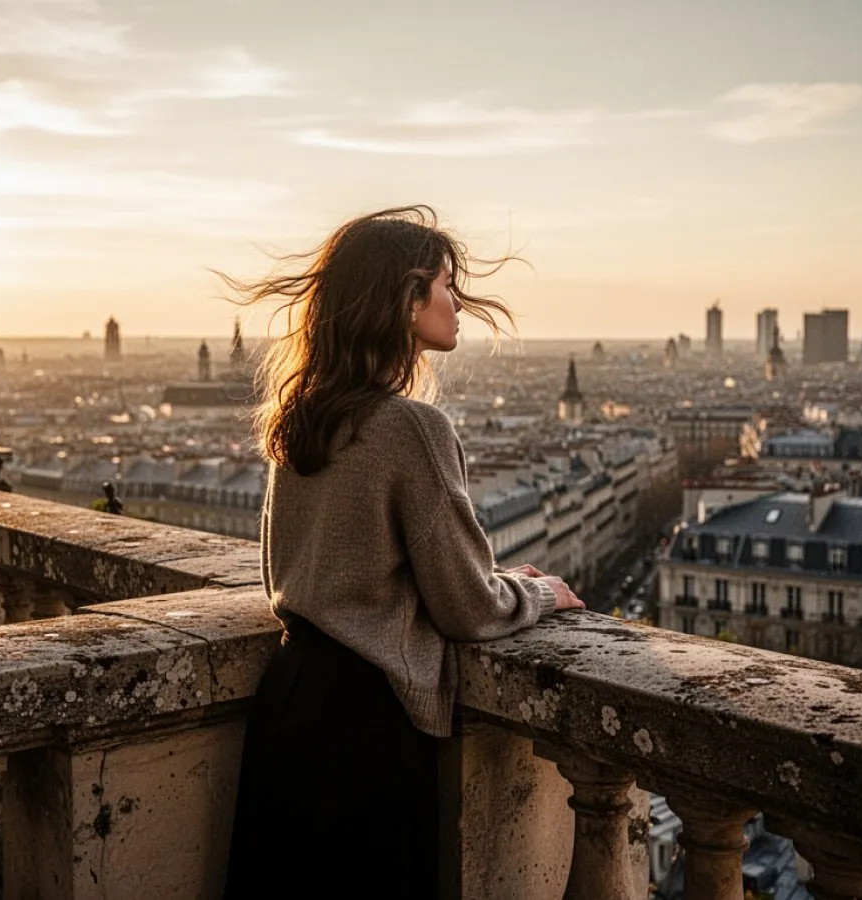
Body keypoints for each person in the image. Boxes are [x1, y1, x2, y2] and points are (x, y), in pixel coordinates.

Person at [222, 206, 584, 899]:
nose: (457, 304)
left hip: (289, 703)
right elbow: (468, 607)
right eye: (446, 285)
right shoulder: (411, 428)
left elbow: (311, 568)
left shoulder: (303, 417)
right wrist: (540, 593)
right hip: (366, 724)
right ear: (406, 298)